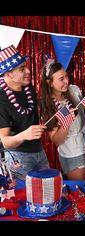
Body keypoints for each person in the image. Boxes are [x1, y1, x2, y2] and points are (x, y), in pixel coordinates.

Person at [0, 45, 49, 180]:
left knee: (47, 191)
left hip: (39, 151)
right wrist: (25, 135)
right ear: (9, 73)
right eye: (22, 69)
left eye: (26, 66)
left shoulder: (28, 88)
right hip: (18, 158)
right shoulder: (1, 99)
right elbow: (5, 142)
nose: (28, 71)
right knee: (24, 197)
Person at [39, 58, 85, 180]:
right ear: (50, 83)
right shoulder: (48, 105)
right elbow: (57, 140)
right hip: (73, 154)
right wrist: (66, 124)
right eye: (61, 79)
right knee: (81, 190)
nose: (66, 81)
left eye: (66, 76)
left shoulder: (74, 90)